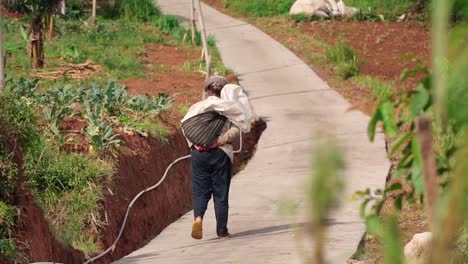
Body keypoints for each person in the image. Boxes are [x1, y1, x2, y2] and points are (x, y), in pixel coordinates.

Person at [185, 76, 241, 240]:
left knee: (200, 191)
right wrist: (218, 142)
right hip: (221, 154)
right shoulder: (228, 107)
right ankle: (222, 231)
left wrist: (196, 144)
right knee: (220, 194)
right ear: (223, 92)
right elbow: (235, 131)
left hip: (198, 154)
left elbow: (187, 128)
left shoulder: (196, 108)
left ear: (207, 91)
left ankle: (198, 219)